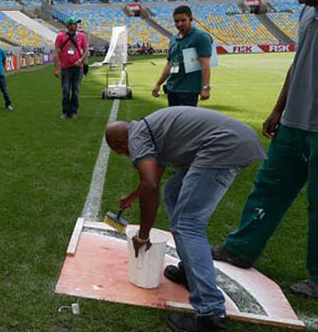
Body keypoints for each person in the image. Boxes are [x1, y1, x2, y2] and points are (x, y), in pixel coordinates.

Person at [212, 0, 318, 299]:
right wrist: (278, 108)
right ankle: (240, 249)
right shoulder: (306, 13)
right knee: (267, 188)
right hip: (292, 124)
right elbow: (297, 63)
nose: (300, 0)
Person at [105, 107, 264, 332]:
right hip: (233, 140)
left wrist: (143, 235)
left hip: (223, 147)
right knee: (173, 191)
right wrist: (133, 196)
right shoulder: (146, 129)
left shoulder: (136, 138)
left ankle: (211, 314)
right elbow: (155, 176)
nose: (126, 154)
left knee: (188, 225)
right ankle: (192, 272)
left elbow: (150, 185)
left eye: (121, 151)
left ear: (121, 143)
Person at [152, 5, 213, 107]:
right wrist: (158, 84)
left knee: (186, 122)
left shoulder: (200, 37)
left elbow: (205, 63)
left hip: (188, 90)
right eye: (176, 21)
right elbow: (170, 64)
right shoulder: (174, 39)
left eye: (183, 20)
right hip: (172, 88)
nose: (179, 24)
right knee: (174, 121)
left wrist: (205, 87)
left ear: (191, 19)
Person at [54, 17, 88, 119]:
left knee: (76, 90)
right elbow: (57, 52)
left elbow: (86, 50)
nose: (76, 25)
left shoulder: (81, 36)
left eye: (76, 23)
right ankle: (65, 111)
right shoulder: (60, 36)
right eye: (74, 23)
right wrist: (56, 68)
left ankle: (74, 111)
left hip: (78, 68)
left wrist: (80, 60)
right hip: (66, 68)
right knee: (65, 90)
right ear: (68, 25)